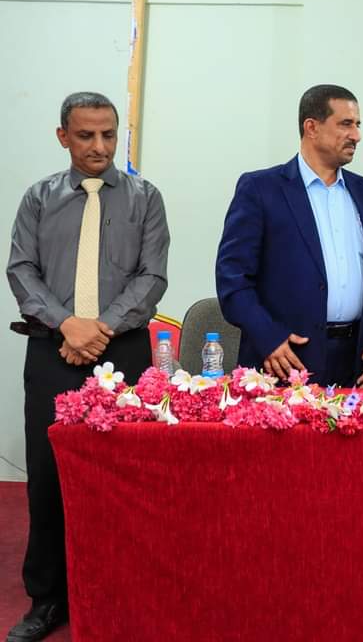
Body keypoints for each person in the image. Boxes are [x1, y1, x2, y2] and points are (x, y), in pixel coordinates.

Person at [6, 92, 169, 642]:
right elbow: (21, 270)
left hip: (123, 351)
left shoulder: (146, 198)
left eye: (108, 134)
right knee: (49, 475)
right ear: (63, 137)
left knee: (125, 475)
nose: (99, 146)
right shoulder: (38, 198)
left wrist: (98, 328)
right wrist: (67, 325)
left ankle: (122, 587)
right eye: (85, 135)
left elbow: (151, 276)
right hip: (53, 350)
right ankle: (47, 598)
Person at [216, 84, 363, 388]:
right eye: (346, 124)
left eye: (358, 125)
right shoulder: (260, 189)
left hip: (357, 363)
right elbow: (232, 281)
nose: (356, 135)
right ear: (311, 127)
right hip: (285, 361)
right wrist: (268, 337)